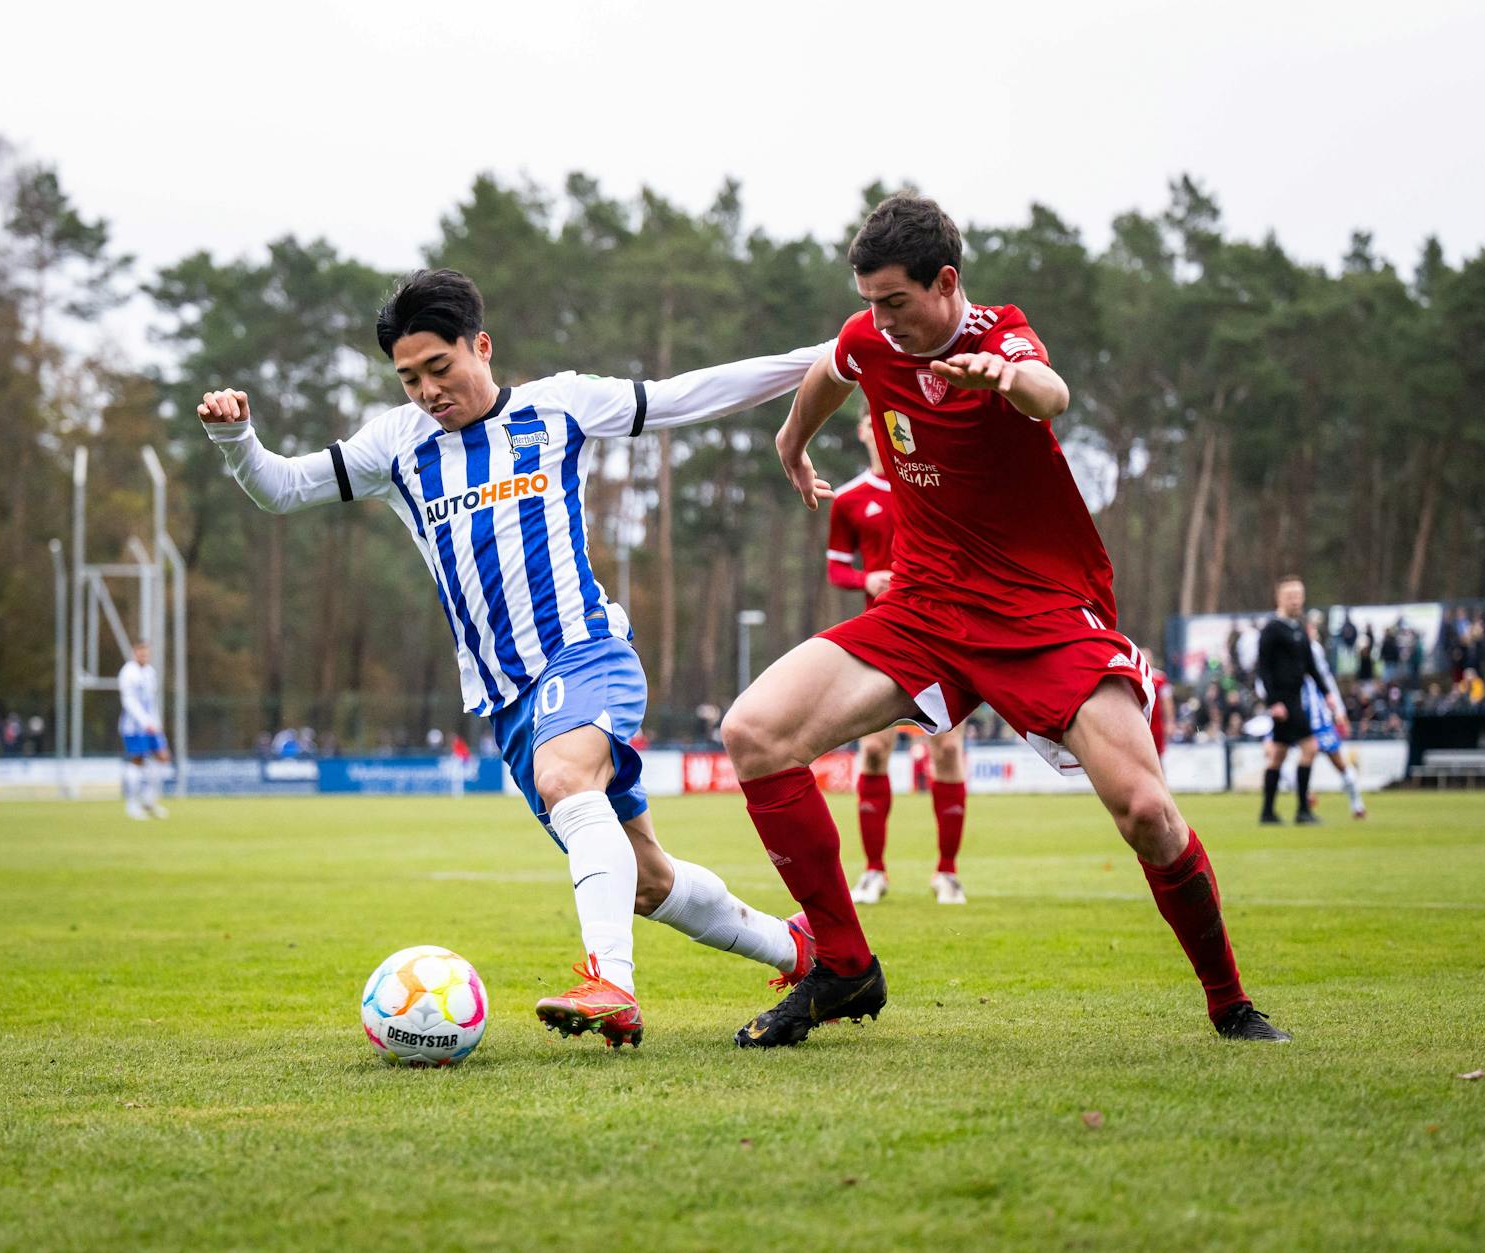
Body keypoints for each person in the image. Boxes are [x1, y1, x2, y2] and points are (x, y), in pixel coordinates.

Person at [719, 193, 1290, 1047]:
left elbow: (1048, 392)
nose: (879, 319)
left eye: (895, 301)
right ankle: (843, 965)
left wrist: (1007, 376)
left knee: (1146, 810)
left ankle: (1230, 1002)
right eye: (869, 300)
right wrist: (792, 444)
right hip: (923, 609)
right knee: (752, 732)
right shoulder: (870, 336)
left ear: (946, 282)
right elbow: (831, 370)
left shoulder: (1000, 334)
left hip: (1038, 615)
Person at [198, 268, 820, 1049]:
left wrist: (834, 354)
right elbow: (283, 490)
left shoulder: (557, 406)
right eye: (409, 377)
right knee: (647, 877)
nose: (427, 390)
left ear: (481, 346)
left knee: (568, 779)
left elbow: (685, 394)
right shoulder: (396, 445)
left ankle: (612, 986)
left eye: (440, 368)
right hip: (508, 701)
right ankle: (798, 948)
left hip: (586, 652)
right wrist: (235, 438)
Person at [826, 405, 971, 906]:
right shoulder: (848, 499)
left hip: (938, 638)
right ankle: (874, 872)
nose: (886, 427)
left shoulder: (931, 485)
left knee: (948, 750)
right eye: (874, 420)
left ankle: (947, 872)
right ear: (864, 431)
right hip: (881, 643)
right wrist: (866, 579)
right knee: (873, 750)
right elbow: (838, 569)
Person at [1257, 577, 1339, 825]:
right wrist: (1273, 702)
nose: (1295, 599)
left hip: (1296, 698)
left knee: (1279, 754)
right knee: (1310, 747)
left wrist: (1327, 693)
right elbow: (1263, 668)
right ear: (1279, 598)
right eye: (1290, 595)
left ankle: (1268, 812)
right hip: (1284, 702)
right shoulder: (1272, 629)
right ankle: (1302, 810)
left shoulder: (1299, 628)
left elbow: (1311, 666)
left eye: (1299, 595)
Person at [1303, 619, 1366, 819]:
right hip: (1296, 717)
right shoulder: (1286, 650)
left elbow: (1326, 680)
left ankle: (1357, 804)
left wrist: (1338, 711)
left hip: (1316, 717)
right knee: (1277, 756)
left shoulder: (1313, 649)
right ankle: (1304, 798)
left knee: (1338, 762)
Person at [117, 641, 171, 820]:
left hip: (151, 724)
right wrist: (144, 721)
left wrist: (155, 722)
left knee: (163, 756)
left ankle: (149, 801)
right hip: (133, 725)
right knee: (137, 760)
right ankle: (132, 805)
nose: (144, 656)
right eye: (140, 653)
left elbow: (151, 701)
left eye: (146, 653)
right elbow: (128, 701)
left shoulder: (150, 673)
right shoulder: (128, 672)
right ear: (134, 653)